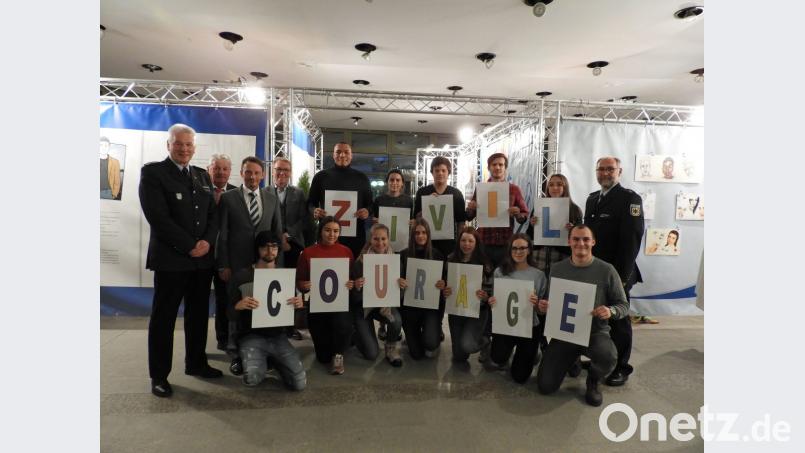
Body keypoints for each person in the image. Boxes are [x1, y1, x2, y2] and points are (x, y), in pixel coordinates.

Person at [138, 123, 222, 398]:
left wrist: (207, 242)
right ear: (169, 145)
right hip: (171, 261)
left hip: (201, 262)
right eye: (179, 144)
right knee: (164, 319)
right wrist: (189, 246)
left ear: (194, 148)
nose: (184, 149)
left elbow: (212, 214)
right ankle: (159, 376)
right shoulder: (153, 173)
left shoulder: (201, 176)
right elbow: (158, 217)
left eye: (189, 145)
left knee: (198, 317)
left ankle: (196, 363)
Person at [535, 224, 629, 407]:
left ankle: (593, 380)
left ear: (593, 242)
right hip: (565, 333)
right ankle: (573, 359)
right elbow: (547, 302)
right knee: (545, 386)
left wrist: (611, 311)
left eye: (586, 239)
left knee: (608, 356)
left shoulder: (607, 270)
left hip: (595, 332)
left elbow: (623, 305)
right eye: (576, 239)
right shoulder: (557, 269)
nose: (581, 243)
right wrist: (542, 307)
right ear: (569, 242)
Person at [584, 156, 644, 387]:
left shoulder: (629, 199)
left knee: (619, 320)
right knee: (598, 317)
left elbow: (631, 243)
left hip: (618, 272)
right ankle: (601, 359)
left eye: (611, 169)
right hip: (594, 270)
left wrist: (620, 277)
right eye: (601, 169)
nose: (605, 173)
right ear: (596, 172)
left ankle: (621, 367)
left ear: (619, 171)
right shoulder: (592, 200)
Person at [227, 230, 306, 390]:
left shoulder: (285, 276)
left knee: (299, 384)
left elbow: (289, 317)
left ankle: (274, 361)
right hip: (251, 336)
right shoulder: (242, 276)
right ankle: (251, 359)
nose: (270, 251)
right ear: (258, 249)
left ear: (278, 250)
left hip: (278, 336)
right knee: (252, 379)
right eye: (265, 247)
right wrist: (238, 306)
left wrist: (298, 305)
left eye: (274, 247)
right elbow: (228, 313)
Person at [216, 156, 283, 311]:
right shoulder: (227, 198)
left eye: (256, 173)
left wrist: (278, 264)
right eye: (248, 172)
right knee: (230, 302)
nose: (252, 176)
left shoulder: (272, 200)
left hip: (263, 263)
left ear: (263, 175)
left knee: (259, 304)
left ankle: (255, 335)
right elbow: (222, 234)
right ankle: (225, 336)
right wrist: (223, 265)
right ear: (241, 173)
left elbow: (277, 233)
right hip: (235, 264)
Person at [296, 216, 355, 375]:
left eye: (336, 231)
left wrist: (351, 283)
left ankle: (339, 354)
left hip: (340, 303)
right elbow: (299, 282)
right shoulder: (307, 253)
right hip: (317, 305)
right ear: (320, 231)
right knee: (322, 357)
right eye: (327, 230)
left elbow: (352, 279)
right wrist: (304, 285)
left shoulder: (346, 252)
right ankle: (339, 343)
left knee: (342, 326)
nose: (331, 234)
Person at [487, 233, 547, 384]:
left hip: (529, 327)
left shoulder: (539, 275)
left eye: (522, 248)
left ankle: (535, 352)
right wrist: (492, 301)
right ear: (509, 250)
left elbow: (541, 311)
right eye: (514, 248)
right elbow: (495, 301)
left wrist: (537, 303)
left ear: (529, 250)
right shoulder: (499, 272)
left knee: (520, 377)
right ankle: (510, 352)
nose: (518, 251)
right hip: (507, 325)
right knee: (497, 358)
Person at [351, 224, 404, 367]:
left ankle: (391, 347)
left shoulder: (395, 260)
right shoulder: (360, 263)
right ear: (370, 239)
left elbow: (397, 297)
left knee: (396, 320)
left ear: (388, 239)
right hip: (363, 308)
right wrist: (356, 287)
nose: (380, 243)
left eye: (383, 239)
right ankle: (354, 332)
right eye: (376, 239)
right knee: (371, 354)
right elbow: (353, 299)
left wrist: (401, 286)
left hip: (383, 306)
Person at [307, 142, 373, 258]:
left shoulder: (362, 178)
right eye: (338, 152)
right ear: (333, 155)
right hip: (327, 236)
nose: (342, 155)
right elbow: (310, 203)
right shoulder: (320, 177)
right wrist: (314, 211)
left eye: (346, 152)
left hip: (355, 238)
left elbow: (371, 205)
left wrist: (367, 212)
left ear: (351, 155)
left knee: (352, 272)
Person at [371, 168, 414, 341]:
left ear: (402, 183)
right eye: (391, 180)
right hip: (383, 248)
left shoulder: (408, 201)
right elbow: (375, 223)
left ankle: (395, 324)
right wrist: (375, 221)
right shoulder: (379, 200)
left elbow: (415, 219)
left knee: (398, 285)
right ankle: (383, 323)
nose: (394, 183)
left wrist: (413, 222)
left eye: (398, 180)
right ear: (387, 182)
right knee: (384, 283)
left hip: (402, 248)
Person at [440, 227, 493, 363]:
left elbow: (490, 294)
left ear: (476, 243)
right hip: (456, 311)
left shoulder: (485, 264)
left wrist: (485, 296)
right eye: (463, 240)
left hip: (477, 312)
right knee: (459, 356)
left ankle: (486, 341)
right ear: (458, 242)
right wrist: (445, 290)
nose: (466, 244)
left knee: (468, 346)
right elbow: (445, 285)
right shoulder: (450, 260)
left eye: (470, 241)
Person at [465, 153, 529, 268]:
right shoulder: (481, 189)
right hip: (483, 243)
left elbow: (524, 216)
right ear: (489, 167)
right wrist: (471, 208)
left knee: (503, 279)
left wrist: (518, 213)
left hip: (505, 244)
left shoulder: (514, 189)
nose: (497, 167)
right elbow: (470, 216)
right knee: (483, 278)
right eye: (494, 164)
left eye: (501, 164)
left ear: (505, 167)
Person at [271, 156, 309, 341]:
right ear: (273, 171)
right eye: (278, 169)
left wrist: (287, 235)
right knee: (275, 284)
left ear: (290, 173)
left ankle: (290, 327)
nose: (282, 173)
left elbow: (304, 219)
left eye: (285, 170)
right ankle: (274, 326)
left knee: (291, 286)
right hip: (272, 247)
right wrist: (278, 238)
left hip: (293, 245)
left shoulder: (299, 193)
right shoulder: (265, 192)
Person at [398, 218, 445, 360]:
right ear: (412, 235)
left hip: (430, 308)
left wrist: (443, 284)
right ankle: (414, 335)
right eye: (417, 233)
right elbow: (396, 283)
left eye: (424, 232)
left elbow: (444, 289)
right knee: (416, 355)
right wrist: (399, 281)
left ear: (428, 234)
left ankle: (433, 332)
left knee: (430, 345)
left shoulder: (437, 255)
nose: (420, 236)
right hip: (409, 308)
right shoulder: (403, 255)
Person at [207, 153, 236, 351]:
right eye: (217, 168)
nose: (221, 172)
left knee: (224, 298)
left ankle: (224, 338)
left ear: (230, 172)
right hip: (202, 254)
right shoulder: (199, 190)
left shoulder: (236, 193)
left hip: (226, 254)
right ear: (209, 169)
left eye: (225, 169)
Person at [413, 156, 468, 258]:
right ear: (432, 172)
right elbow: (416, 218)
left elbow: (461, 222)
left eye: (443, 170)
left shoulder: (456, 194)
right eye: (437, 170)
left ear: (448, 173)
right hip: (427, 242)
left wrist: (459, 244)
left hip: (449, 244)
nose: (440, 173)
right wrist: (428, 203)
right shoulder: (422, 192)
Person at [529, 174, 584, 276]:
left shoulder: (574, 210)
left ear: (565, 187)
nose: (555, 188)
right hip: (540, 255)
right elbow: (529, 236)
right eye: (551, 185)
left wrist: (573, 230)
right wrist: (532, 225)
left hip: (562, 256)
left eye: (559, 184)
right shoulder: (539, 206)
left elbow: (581, 238)